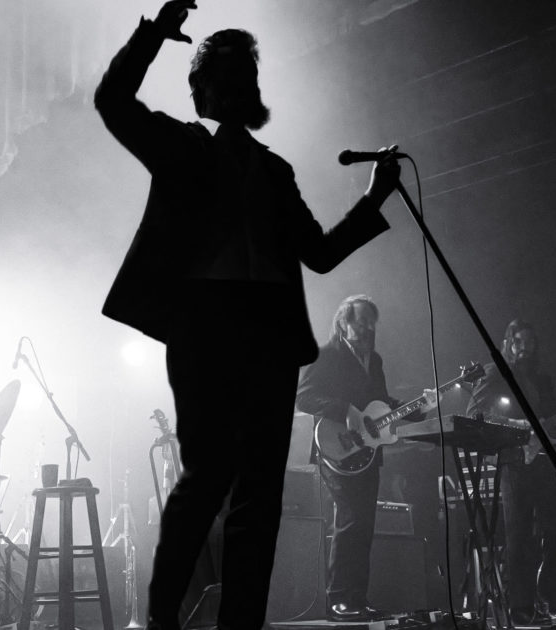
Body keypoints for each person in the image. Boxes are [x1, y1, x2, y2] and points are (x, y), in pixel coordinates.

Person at [94, 2, 401, 628]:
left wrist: (374, 199)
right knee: (208, 478)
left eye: (244, 77)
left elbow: (318, 253)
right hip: (205, 322)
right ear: (205, 92)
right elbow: (113, 101)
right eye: (223, 77)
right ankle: (162, 620)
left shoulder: (274, 169)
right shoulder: (182, 145)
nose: (235, 88)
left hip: (270, 333)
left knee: (260, 494)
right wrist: (154, 33)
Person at [296, 295, 435, 621]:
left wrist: (420, 408)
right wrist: (344, 409)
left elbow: (382, 404)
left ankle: (357, 598)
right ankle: (339, 600)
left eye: (372, 323)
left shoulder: (375, 360)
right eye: (361, 322)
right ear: (343, 323)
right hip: (336, 446)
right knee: (350, 519)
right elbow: (303, 397)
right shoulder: (326, 355)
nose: (368, 328)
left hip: (368, 452)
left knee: (365, 525)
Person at [466, 319, 556, 624]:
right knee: (519, 536)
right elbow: (475, 413)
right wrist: (517, 425)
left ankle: (547, 601)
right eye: (519, 342)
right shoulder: (495, 372)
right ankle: (521, 609)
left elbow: (555, 421)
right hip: (513, 461)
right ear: (508, 343)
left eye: (530, 342)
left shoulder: (541, 380)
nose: (525, 348)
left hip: (543, 460)